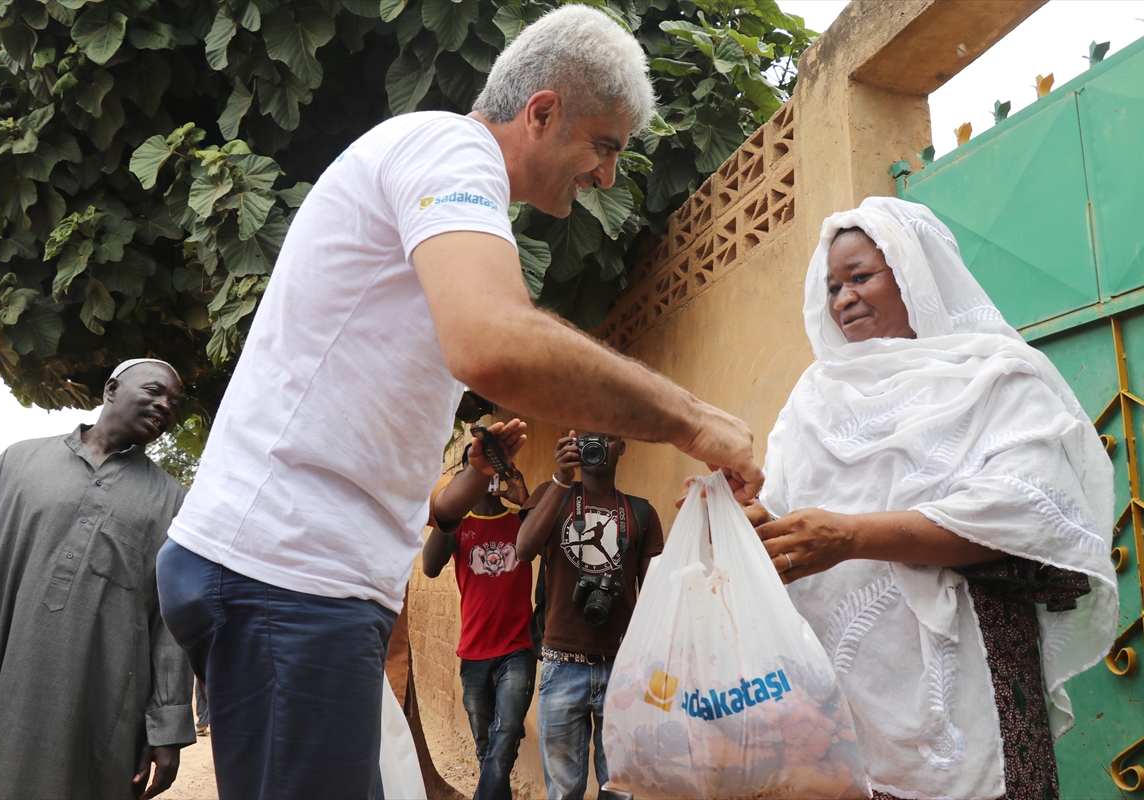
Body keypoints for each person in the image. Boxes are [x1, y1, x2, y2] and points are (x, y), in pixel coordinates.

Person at [155, 5, 762, 798]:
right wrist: (696, 419)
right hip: (287, 576)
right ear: (541, 111)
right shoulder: (450, 150)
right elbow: (496, 344)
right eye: (604, 146)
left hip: (303, 581)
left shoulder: (443, 175)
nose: (609, 175)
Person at [746, 197, 1118, 799]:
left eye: (860, 277)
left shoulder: (995, 377)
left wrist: (853, 536)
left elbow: (1025, 509)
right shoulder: (817, 398)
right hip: (856, 699)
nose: (842, 299)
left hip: (977, 665)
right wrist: (747, 517)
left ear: (912, 272)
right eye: (832, 285)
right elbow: (790, 515)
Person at [0, 359, 194, 800]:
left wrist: (167, 726)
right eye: (156, 392)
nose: (165, 406)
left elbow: (170, 624)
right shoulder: (18, 461)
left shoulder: (174, 502)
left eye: (175, 403)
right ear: (111, 389)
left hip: (99, 706)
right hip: (3, 678)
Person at [517, 431, 663, 800]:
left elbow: (656, 596)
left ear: (622, 446)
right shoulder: (553, 495)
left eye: (608, 437)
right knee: (564, 791)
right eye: (587, 436)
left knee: (621, 789)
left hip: (623, 669)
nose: (597, 444)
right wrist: (560, 479)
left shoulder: (642, 512)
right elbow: (523, 548)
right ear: (573, 443)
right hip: (561, 665)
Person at [421, 443, 533, 800]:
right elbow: (429, 567)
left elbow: (548, 546)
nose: (487, 476)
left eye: (493, 467)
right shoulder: (460, 527)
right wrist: (456, 506)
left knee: (505, 736)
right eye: (478, 470)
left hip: (518, 650)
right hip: (473, 655)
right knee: (488, 749)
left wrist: (526, 501)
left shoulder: (521, 522)